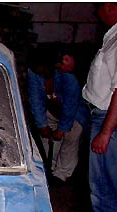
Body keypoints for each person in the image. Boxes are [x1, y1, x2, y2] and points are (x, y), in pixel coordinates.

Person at [65, 2, 117, 212]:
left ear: (113, 7)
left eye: (101, 5)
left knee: (105, 187)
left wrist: (106, 132)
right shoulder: (116, 32)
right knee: (97, 179)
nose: (97, 10)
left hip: (109, 119)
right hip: (98, 114)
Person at [27, 46, 89, 185]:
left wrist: (62, 129)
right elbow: (35, 99)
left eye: (43, 69)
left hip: (73, 114)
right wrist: (42, 125)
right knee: (46, 140)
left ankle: (62, 174)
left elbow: (71, 104)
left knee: (71, 138)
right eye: (38, 71)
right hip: (51, 111)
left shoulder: (66, 75)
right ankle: (48, 169)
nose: (41, 72)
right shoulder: (33, 72)